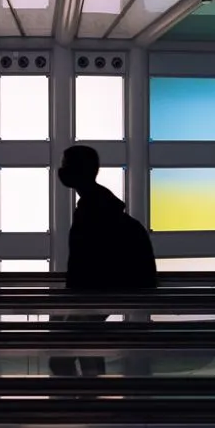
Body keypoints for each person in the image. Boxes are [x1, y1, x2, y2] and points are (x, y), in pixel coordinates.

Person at [50, 145, 157, 378]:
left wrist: (73, 296)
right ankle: (92, 389)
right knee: (85, 342)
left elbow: (85, 262)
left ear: (79, 170)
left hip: (106, 290)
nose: (61, 170)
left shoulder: (92, 211)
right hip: (112, 288)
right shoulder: (101, 205)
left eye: (66, 164)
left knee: (62, 354)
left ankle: (83, 391)